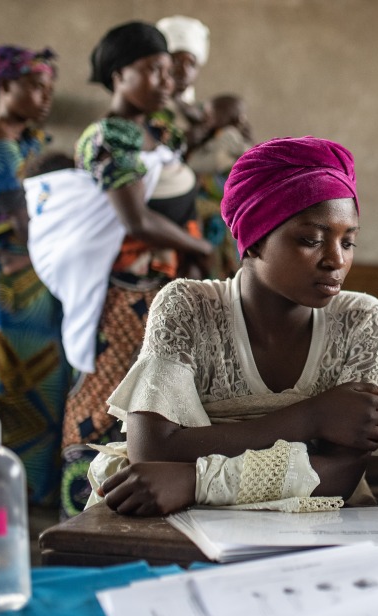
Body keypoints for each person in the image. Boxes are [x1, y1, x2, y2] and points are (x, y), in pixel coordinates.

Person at [87, 137, 378, 517]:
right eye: (311, 240)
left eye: (348, 242)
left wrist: (194, 480)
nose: (336, 260)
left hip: (315, 522)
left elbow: (341, 474)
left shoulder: (360, 318)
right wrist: (312, 418)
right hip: (180, 519)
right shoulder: (188, 306)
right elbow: (151, 451)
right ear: (253, 241)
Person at [60, 21, 214, 517]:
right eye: (152, 70)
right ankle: (83, 514)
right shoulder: (104, 137)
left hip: (165, 289)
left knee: (155, 405)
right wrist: (198, 246)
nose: (165, 81)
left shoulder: (161, 131)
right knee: (105, 401)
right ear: (118, 74)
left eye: (169, 71)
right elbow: (135, 218)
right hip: (124, 296)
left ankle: (144, 512)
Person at [0, 45, 72, 507]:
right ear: (4, 87)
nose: (44, 97)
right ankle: (17, 493)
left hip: (33, 267)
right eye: (34, 86)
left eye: (49, 88)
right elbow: (22, 218)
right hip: (11, 276)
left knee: (50, 378)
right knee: (19, 379)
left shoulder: (24, 139)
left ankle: (39, 487)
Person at [187, 93, 256, 279]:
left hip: (222, 199)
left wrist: (191, 157)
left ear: (227, 116)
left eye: (211, 113)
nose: (205, 117)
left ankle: (222, 272)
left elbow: (207, 163)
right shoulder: (223, 135)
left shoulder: (228, 135)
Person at [155, 14, 211, 152]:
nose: (184, 71)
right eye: (176, 61)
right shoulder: (149, 110)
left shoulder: (205, 111)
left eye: (191, 64)